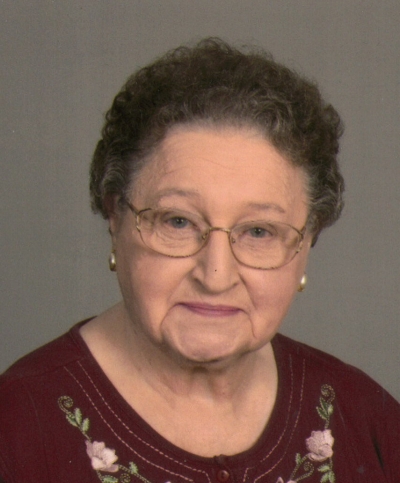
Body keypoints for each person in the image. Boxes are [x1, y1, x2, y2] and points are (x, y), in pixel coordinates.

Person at [0, 38, 399, 483]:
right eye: (178, 222)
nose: (216, 275)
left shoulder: (369, 418)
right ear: (114, 216)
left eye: (259, 231)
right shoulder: (14, 427)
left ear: (307, 240)